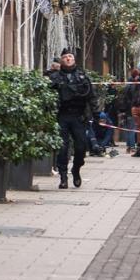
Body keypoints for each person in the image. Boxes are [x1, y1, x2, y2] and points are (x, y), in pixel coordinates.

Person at [46, 47, 95, 188]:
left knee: (81, 147)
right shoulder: (54, 77)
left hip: (78, 116)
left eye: (70, 57)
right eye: (66, 57)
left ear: (74, 60)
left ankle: (76, 169)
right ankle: (63, 176)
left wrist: (96, 114)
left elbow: (91, 96)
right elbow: (47, 97)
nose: (68, 58)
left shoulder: (82, 76)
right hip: (62, 115)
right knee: (62, 147)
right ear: (61, 60)